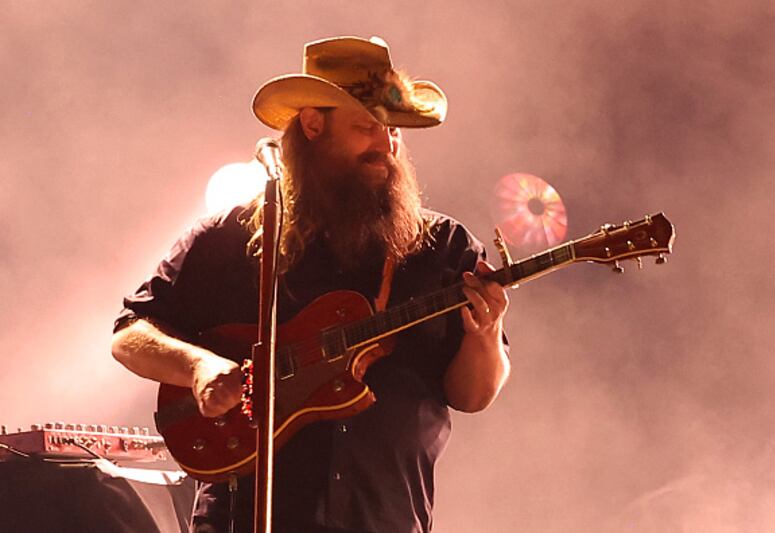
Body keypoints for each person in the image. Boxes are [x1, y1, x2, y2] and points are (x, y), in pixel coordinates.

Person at [111, 36, 511, 533]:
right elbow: (129, 335)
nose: (386, 145)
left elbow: (473, 396)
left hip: (385, 518)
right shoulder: (232, 236)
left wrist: (486, 334)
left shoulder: (443, 247)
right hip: (244, 519)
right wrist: (198, 366)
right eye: (366, 127)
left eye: (393, 131)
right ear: (313, 125)